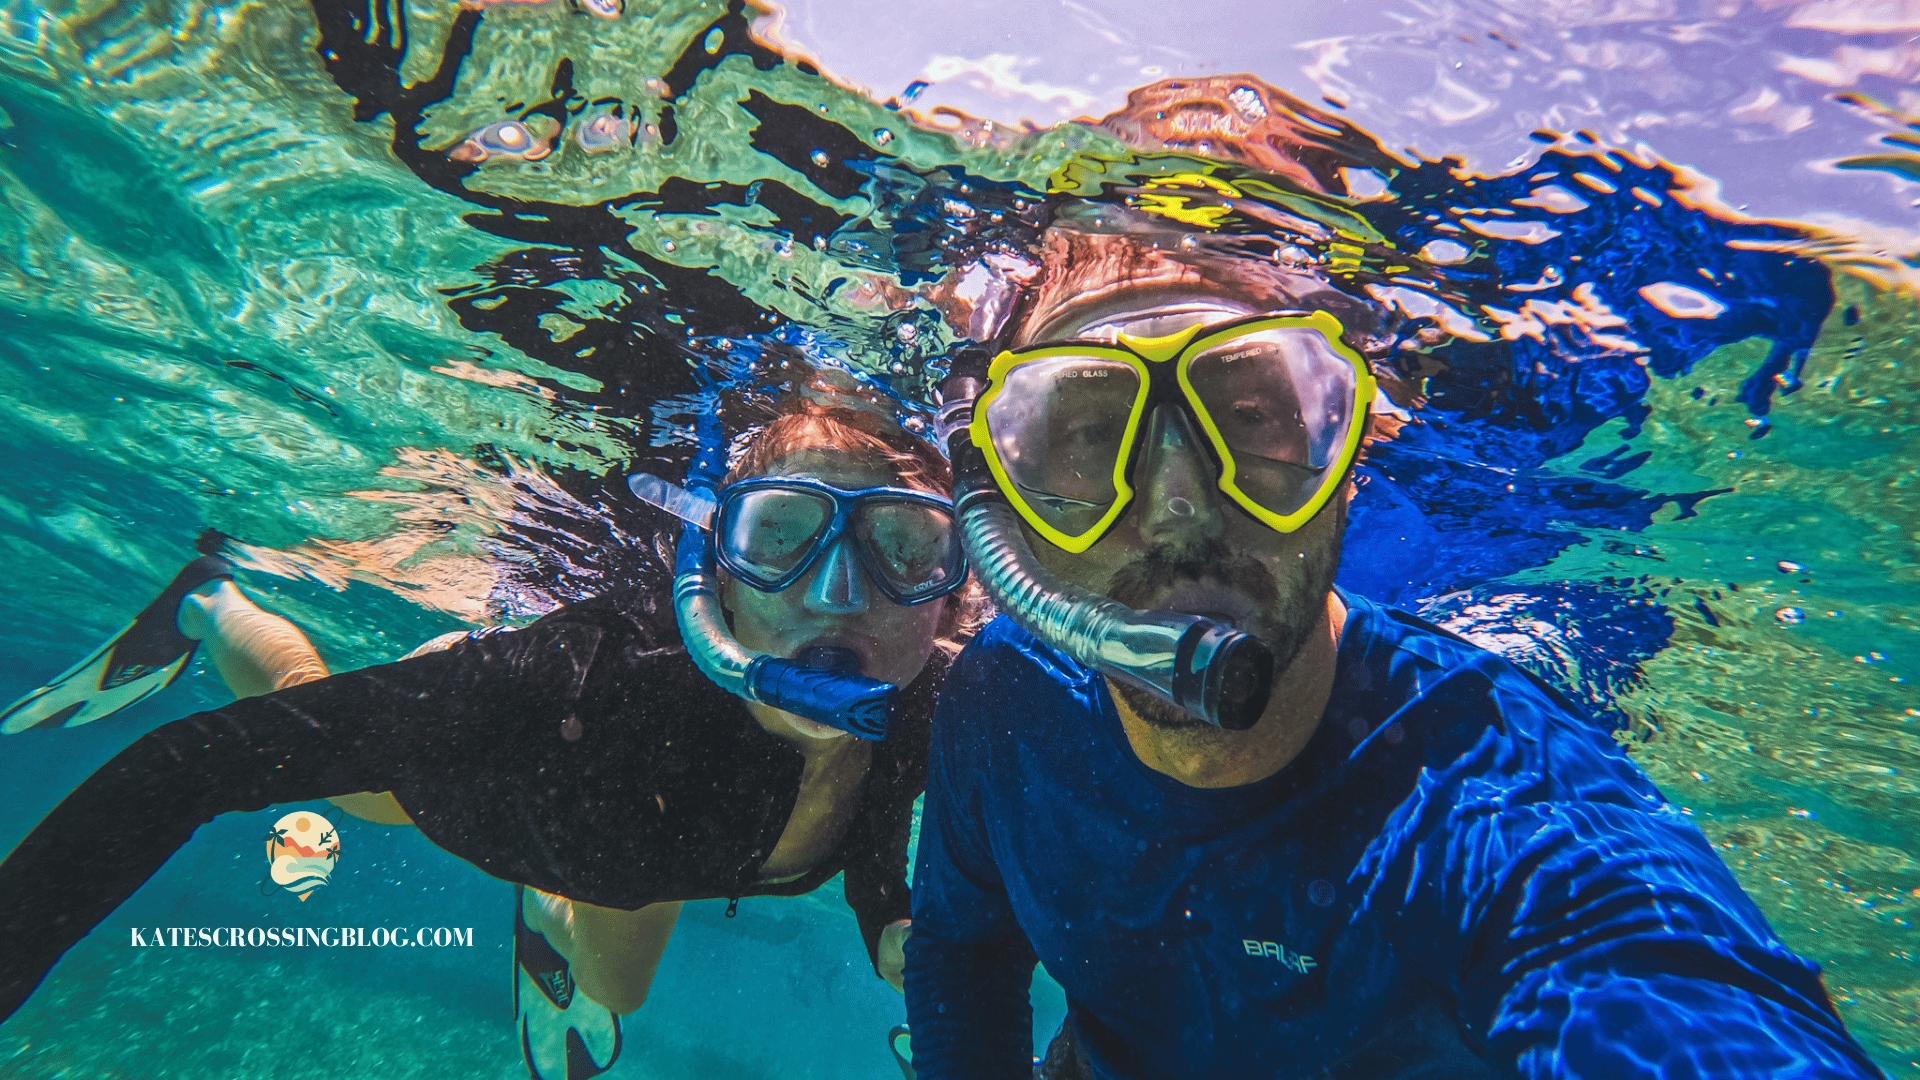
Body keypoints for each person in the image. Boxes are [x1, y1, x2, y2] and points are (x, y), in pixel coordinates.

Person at [900, 208, 1888, 1079]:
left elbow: (1666, 994)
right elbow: (961, 945)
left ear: (1351, 452)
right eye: (1084, 434)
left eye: (1250, 417)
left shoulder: (1496, 812)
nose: (1178, 506)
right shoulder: (1001, 697)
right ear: (1002, 501)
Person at [0, 401, 974, 1080]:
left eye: (904, 550)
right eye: (784, 535)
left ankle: (546, 919)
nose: (840, 595)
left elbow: (873, 821)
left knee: (617, 996)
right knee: (334, 771)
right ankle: (210, 603)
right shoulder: (582, 676)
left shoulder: (937, 706)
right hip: (482, 789)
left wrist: (891, 930)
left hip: (645, 861)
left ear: (952, 585)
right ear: (713, 571)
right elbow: (202, 764)